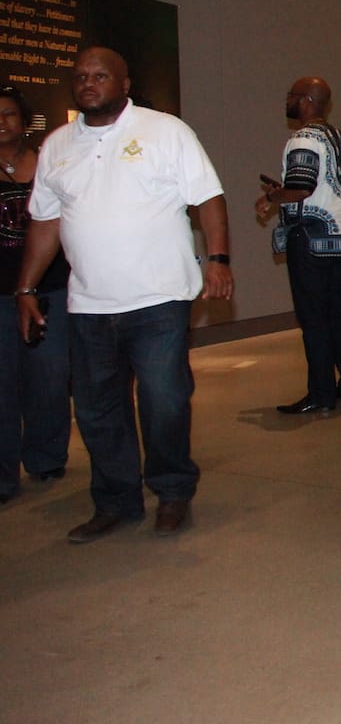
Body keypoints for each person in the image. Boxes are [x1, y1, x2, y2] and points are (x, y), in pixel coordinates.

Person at [16, 47, 233, 542]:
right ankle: (116, 500)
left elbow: (208, 198)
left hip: (158, 298)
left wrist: (217, 260)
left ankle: (173, 491)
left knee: (164, 400)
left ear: (124, 82)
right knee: (96, 409)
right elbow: (47, 221)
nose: (88, 84)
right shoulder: (56, 145)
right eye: (80, 77)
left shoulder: (165, 131)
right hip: (89, 304)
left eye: (99, 76)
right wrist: (25, 287)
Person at [256, 77, 341, 415]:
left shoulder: (302, 139)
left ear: (305, 100)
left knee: (314, 316)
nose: (286, 101)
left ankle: (321, 392)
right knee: (339, 311)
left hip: (312, 238)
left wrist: (272, 196)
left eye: (290, 96)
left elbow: (301, 187)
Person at [0, 86, 71, 504]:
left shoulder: (47, 165)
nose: (2, 122)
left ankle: (46, 458)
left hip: (50, 288)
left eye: (9, 114)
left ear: (24, 122)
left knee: (48, 378)